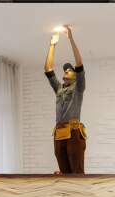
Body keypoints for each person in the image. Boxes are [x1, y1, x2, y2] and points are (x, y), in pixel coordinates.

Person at [44, 25, 87, 174]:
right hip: (59, 132)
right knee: (64, 173)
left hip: (74, 132)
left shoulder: (78, 87)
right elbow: (48, 69)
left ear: (75, 75)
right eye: (65, 70)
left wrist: (71, 39)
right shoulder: (59, 89)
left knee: (77, 172)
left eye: (69, 70)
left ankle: (80, 196)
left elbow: (79, 64)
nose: (66, 71)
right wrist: (52, 45)